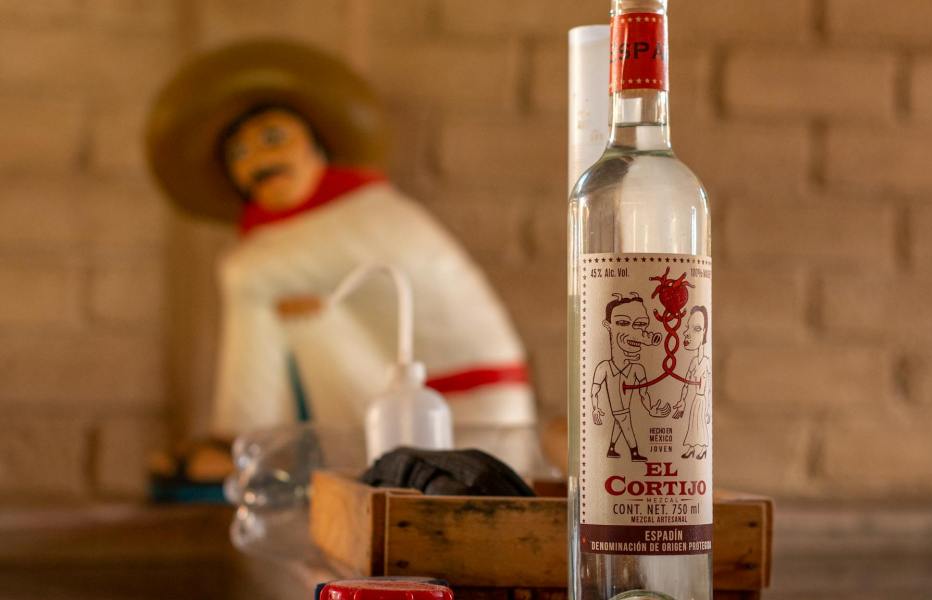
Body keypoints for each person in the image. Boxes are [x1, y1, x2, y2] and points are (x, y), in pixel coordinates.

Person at [145, 40, 539, 477]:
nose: (259, 161)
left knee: (248, 275)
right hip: (411, 410)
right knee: (299, 311)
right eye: (239, 154)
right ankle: (259, 449)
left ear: (318, 149)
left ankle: (242, 445)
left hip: (472, 422)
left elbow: (250, 273)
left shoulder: (367, 214)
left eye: (273, 139)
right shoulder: (305, 230)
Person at [591, 293, 670, 462]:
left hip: (622, 410)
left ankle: (611, 448)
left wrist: (651, 409)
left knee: (619, 424)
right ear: (609, 325)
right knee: (624, 424)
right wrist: (595, 408)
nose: (636, 331)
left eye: (640, 324)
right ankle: (634, 453)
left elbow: (644, 394)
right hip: (619, 410)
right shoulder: (604, 367)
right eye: (623, 323)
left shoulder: (637, 369)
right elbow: (594, 389)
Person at [673, 306, 711, 460]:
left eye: (696, 328)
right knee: (692, 423)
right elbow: (686, 384)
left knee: (701, 424)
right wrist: (681, 401)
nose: (686, 333)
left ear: (704, 332)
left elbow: (708, 389)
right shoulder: (694, 362)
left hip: (702, 399)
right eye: (688, 327)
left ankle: (700, 449)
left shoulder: (706, 363)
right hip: (695, 399)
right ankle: (690, 447)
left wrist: (708, 409)